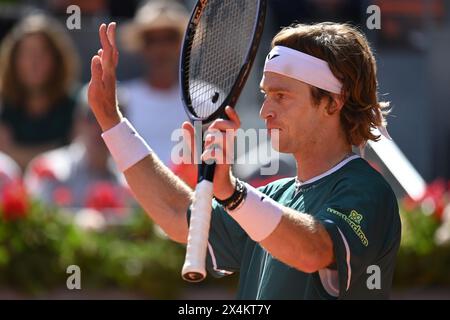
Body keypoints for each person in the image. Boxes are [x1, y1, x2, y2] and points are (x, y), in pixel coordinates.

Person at [88, 21, 401, 299]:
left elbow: (314, 251)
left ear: (332, 103)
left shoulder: (367, 189)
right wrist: (111, 122)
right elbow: (175, 212)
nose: (266, 111)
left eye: (281, 96)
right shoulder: (272, 198)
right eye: (266, 95)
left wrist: (233, 194)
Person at [24, 85, 132, 214]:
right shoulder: (50, 170)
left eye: (113, 120)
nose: (100, 126)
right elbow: (35, 224)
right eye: (92, 116)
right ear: (78, 121)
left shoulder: (130, 183)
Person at [0, 14, 80, 170]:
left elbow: (79, 160)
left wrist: (14, 153)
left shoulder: (76, 105)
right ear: (14, 60)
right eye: (26, 53)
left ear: (56, 59)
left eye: (42, 53)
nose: (34, 62)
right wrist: (58, 149)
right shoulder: (3, 104)